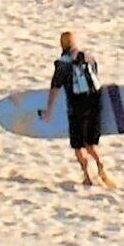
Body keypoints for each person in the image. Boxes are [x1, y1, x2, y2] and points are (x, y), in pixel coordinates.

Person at [51, 30, 113, 190]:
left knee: (78, 145)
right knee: (90, 143)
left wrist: (49, 109)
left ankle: (87, 176)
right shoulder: (89, 58)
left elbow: (55, 88)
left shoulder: (63, 64)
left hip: (77, 107)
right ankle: (100, 164)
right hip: (94, 103)